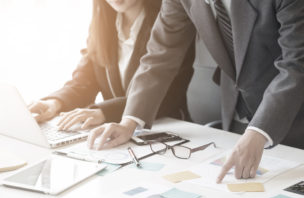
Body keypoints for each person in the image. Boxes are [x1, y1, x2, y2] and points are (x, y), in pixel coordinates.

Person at [87, 0, 304, 183]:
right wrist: (129, 122)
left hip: (294, 112)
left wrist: (259, 132)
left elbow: (296, 64)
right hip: (237, 112)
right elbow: (161, 54)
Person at [28, 0, 194, 134]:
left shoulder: (171, 25)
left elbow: (168, 96)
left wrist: (105, 112)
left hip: (165, 130)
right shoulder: (103, 26)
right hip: (113, 132)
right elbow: (83, 83)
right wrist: (54, 103)